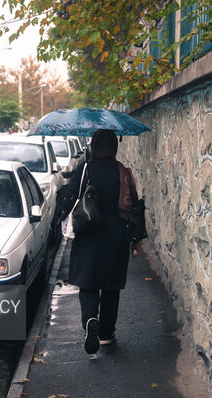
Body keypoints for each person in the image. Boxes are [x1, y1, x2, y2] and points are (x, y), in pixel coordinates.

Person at [57, 129, 143, 354]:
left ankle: (89, 320)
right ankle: (105, 334)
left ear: (94, 146)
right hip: (116, 238)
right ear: (113, 147)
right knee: (111, 287)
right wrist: (135, 240)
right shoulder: (122, 171)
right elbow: (134, 206)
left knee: (88, 284)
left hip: (88, 234)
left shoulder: (85, 168)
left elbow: (69, 198)